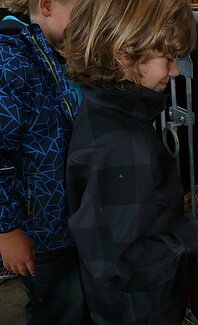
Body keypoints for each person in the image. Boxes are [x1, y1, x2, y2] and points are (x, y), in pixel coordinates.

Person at [61, 0, 198, 324]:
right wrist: (196, 235)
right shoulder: (122, 144)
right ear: (125, 55)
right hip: (141, 311)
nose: (174, 72)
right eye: (169, 58)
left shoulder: (104, 111)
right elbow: (118, 265)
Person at [0, 0, 91, 324]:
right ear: (48, 5)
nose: (91, 24)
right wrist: (7, 230)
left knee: (73, 304)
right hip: (41, 230)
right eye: (85, 13)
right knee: (58, 309)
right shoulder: (9, 58)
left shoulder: (60, 52)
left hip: (69, 219)